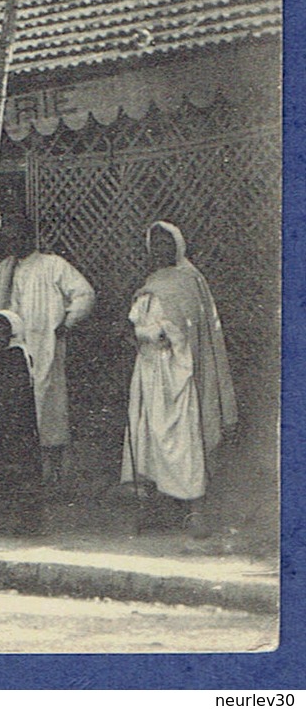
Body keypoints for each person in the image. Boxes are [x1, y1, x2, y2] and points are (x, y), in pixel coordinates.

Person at [121, 222, 238, 539]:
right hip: (149, 370)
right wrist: (140, 337)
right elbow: (138, 321)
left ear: (178, 246)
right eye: (154, 244)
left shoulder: (190, 280)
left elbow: (190, 330)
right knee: (150, 434)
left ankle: (194, 511)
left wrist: (162, 338)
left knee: (182, 437)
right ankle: (159, 506)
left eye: (166, 243)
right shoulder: (153, 281)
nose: (160, 250)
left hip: (179, 370)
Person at [0, 214, 95, 486]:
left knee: (46, 406)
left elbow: (84, 293)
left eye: (18, 236)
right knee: (12, 410)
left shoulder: (52, 265)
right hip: (9, 352)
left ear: (30, 238)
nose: (12, 242)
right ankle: (18, 473)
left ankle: (52, 472)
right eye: (7, 238)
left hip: (42, 346)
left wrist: (67, 322)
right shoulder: (3, 270)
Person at [0, 310, 43, 536]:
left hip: (11, 425)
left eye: (2, 331)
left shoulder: (13, 356)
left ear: (13, 332)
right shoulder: (16, 354)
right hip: (17, 423)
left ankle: (12, 521)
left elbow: (6, 394)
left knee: (10, 471)